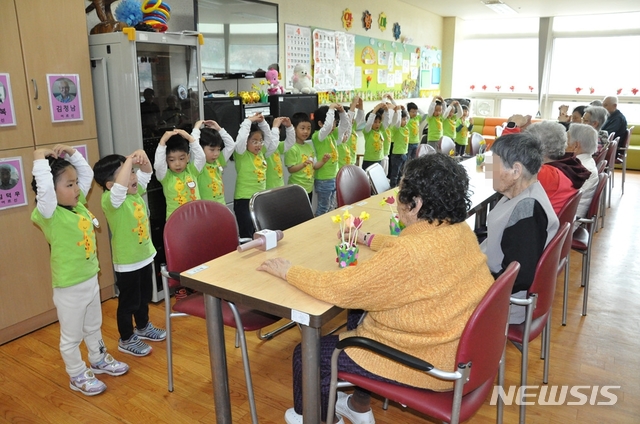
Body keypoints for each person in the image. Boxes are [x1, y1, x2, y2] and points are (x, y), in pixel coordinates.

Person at [258, 154, 496, 424]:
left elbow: (342, 288)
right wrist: (368, 238)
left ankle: (316, 419)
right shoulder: (458, 230)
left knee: (308, 355)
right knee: (357, 313)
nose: (395, 201)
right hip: (458, 347)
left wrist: (289, 271)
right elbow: (411, 248)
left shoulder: (410, 252)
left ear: (416, 203)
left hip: (429, 361)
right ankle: (358, 406)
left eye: (401, 193)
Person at [31, 144, 129, 396]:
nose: (77, 189)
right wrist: (38, 158)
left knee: (93, 325)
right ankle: (76, 373)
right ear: (51, 192)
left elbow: (86, 175)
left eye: (76, 184)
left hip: (89, 280)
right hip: (69, 287)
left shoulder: (77, 205)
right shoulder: (50, 213)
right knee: (71, 336)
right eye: (69, 185)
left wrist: (73, 153)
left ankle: (98, 359)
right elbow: (45, 188)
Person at [93, 150, 166, 358]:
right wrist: (127, 162)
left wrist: (141, 158)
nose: (133, 176)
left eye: (132, 172)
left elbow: (147, 173)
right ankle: (126, 338)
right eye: (127, 173)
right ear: (110, 185)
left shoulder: (134, 193)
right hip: (127, 263)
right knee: (129, 302)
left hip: (145, 256)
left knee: (143, 298)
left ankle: (143, 327)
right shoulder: (111, 200)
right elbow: (118, 190)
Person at [481, 133, 559, 324]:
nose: (487, 170)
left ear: (516, 170)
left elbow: (517, 276)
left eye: (493, 164)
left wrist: (473, 281)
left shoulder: (527, 211)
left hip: (504, 302)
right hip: (497, 285)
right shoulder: (522, 194)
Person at [233, 113, 279, 238]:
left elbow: (268, 137)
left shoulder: (262, 153)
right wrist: (248, 121)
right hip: (244, 200)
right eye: (254, 141)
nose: (258, 145)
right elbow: (241, 138)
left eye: (260, 141)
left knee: (260, 230)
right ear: (247, 143)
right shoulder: (241, 154)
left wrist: (263, 123)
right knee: (247, 233)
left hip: (259, 198)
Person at [525, 121, 580, 214]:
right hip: (551, 221)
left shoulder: (544, 174)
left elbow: (495, 170)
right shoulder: (569, 165)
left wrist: (510, 128)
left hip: (540, 225)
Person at [153, 126, 206, 218]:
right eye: (172, 160)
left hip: (196, 218)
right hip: (176, 221)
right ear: (166, 161)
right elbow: (158, 165)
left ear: (188, 158)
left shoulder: (192, 171)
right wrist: (162, 142)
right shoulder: (165, 177)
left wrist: (190, 138)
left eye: (181, 158)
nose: (177, 164)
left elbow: (201, 157)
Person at [312, 104, 350, 217]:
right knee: (323, 208)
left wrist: (342, 112)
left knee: (331, 207)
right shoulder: (318, 136)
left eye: (335, 122)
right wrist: (331, 109)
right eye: (333, 122)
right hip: (324, 180)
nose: (334, 125)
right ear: (320, 124)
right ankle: (318, 229)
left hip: (334, 177)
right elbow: (328, 126)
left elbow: (345, 126)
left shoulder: (332, 136)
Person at [286, 112, 328, 203]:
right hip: (297, 188)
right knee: (298, 213)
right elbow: (291, 169)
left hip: (309, 187)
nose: (306, 131)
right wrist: (303, 164)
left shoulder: (309, 146)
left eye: (308, 128)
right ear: (294, 129)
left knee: (307, 212)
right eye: (302, 128)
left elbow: (314, 166)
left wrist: (323, 161)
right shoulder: (292, 148)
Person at [196, 120, 236, 204]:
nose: (216, 154)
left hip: (221, 204)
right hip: (205, 208)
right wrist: (196, 129)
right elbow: (195, 146)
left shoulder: (219, 160)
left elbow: (231, 145)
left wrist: (219, 129)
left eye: (218, 149)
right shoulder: (199, 164)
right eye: (212, 150)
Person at [568, 123, 599, 219]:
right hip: (568, 218)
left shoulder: (581, 169)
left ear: (576, 146)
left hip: (568, 221)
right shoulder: (585, 161)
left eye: (566, 140)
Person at [266, 117, 295, 189]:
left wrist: (289, 127)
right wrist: (275, 127)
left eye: (279, 129)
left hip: (280, 185)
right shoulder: (263, 149)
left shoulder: (278, 146)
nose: (277, 132)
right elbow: (272, 145)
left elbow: (290, 142)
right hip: (267, 188)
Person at [388, 105, 409, 187]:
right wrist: (398, 111)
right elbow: (397, 120)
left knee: (401, 173)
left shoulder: (406, 128)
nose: (406, 121)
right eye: (403, 119)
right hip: (397, 155)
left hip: (404, 153)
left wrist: (404, 109)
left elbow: (407, 117)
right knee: (395, 174)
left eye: (406, 119)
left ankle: (400, 187)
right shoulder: (396, 128)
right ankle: (392, 187)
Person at [361, 103, 386, 170]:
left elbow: (386, 121)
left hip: (379, 159)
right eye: (375, 122)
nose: (377, 124)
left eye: (379, 122)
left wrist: (386, 110)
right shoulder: (367, 131)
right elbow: (369, 123)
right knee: (367, 179)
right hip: (369, 160)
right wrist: (374, 110)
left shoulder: (380, 130)